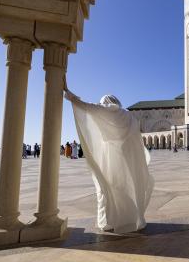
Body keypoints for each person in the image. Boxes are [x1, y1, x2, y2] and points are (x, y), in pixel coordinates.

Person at [64, 88, 154, 233]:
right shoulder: (128, 116)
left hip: (110, 158)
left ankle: (108, 221)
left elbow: (87, 107)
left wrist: (71, 96)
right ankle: (130, 219)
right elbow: (136, 139)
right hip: (127, 158)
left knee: (106, 188)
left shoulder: (106, 111)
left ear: (106, 103)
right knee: (127, 187)